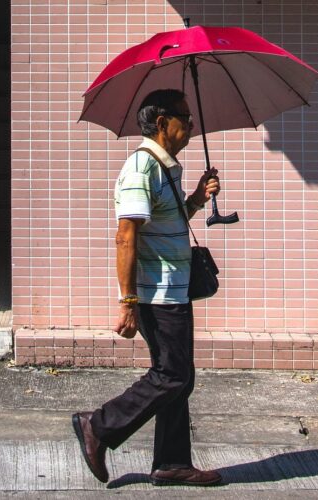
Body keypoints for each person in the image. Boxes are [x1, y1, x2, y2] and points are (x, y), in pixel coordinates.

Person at [72, 89, 222, 487]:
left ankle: (172, 462)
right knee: (171, 375)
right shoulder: (141, 168)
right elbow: (126, 236)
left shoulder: (166, 166)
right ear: (162, 123)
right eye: (185, 118)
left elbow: (166, 222)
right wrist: (128, 302)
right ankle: (99, 426)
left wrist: (195, 200)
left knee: (180, 377)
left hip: (175, 288)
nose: (191, 125)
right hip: (155, 293)